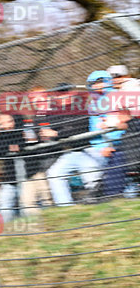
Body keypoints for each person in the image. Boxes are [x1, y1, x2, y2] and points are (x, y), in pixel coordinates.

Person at [47, 71, 123, 205]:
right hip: (88, 149)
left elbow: (121, 122)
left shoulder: (115, 98)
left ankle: (99, 200)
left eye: (100, 81)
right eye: (93, 83)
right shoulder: (92, 104)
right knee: (54, 175)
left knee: (93, 175)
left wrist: (109, 145)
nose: (96, 86)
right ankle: (67, 209)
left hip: (99, 148)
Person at [0, 113, 23, 222]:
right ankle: (6, 228)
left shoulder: (19, 130)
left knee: (27, 202)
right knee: (4, 202)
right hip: (10, 179)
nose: (7, 125)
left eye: (9, 122)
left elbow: (20, 145)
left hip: (27, 176)